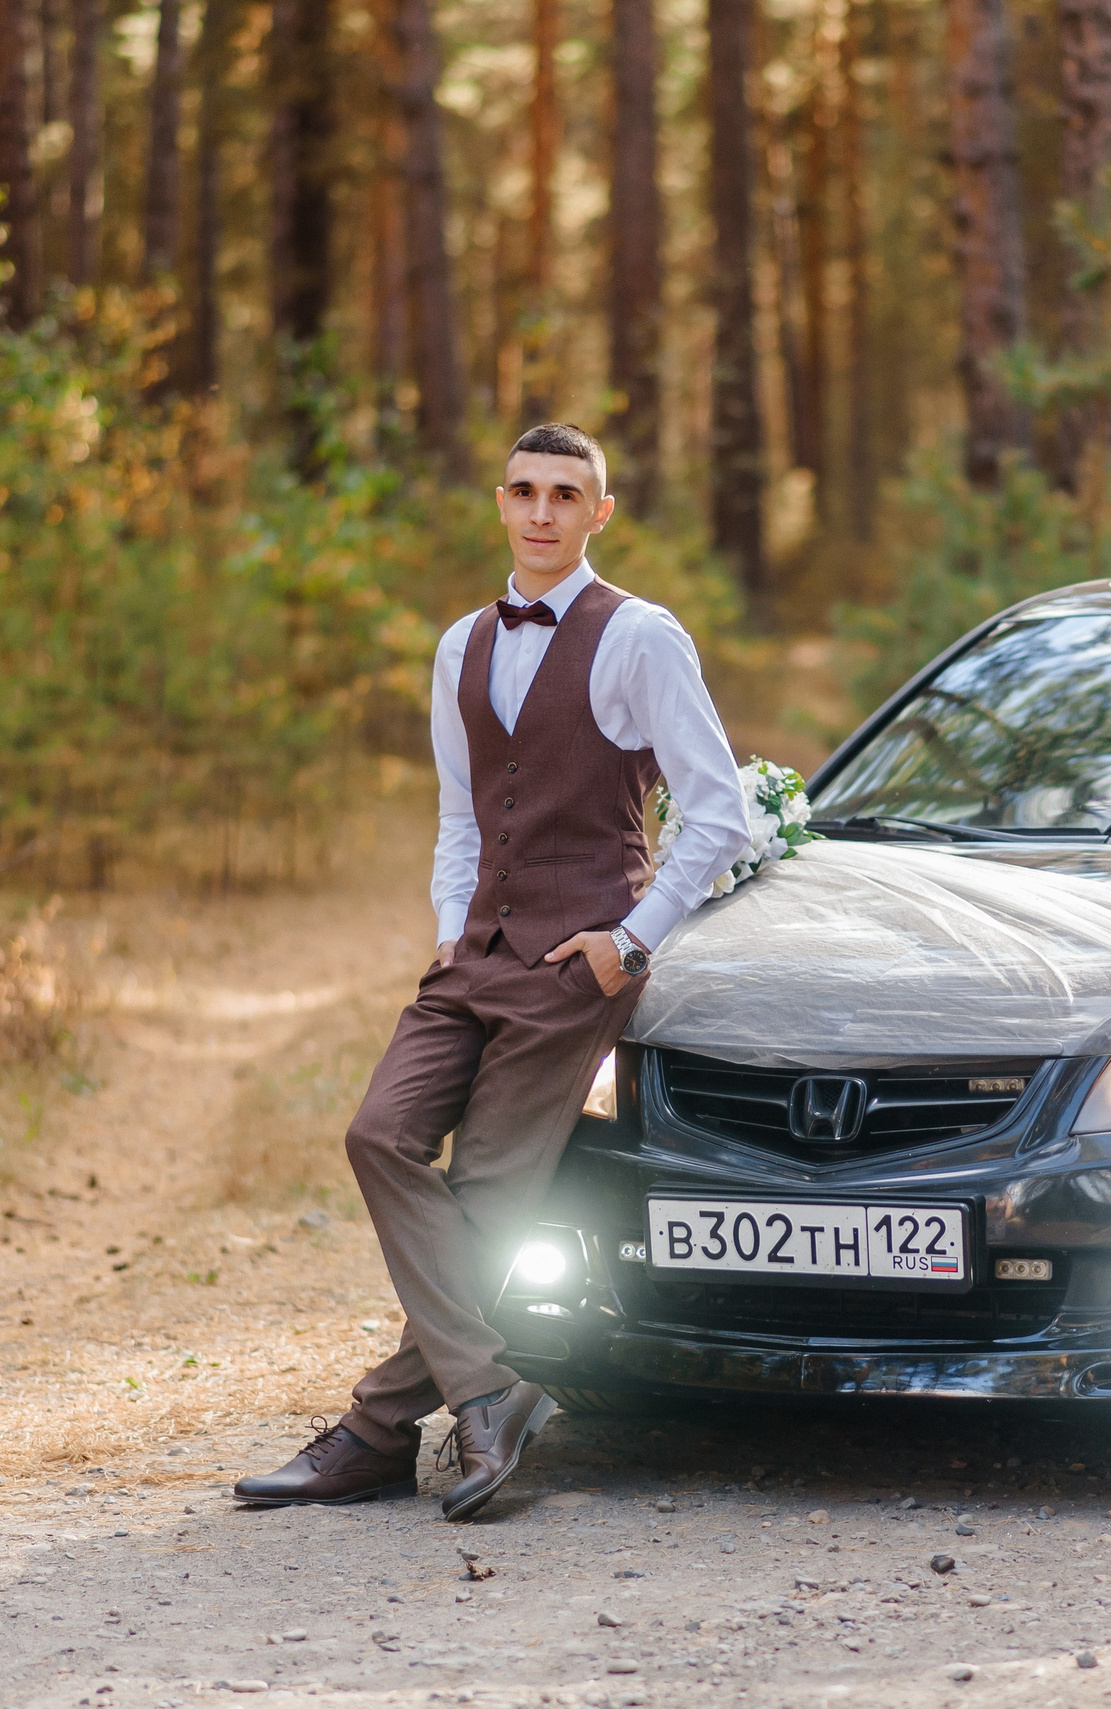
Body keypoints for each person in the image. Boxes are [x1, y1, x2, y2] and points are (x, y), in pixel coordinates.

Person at [234, 423, 747, 1521]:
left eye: (567, 494)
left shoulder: (641, 637)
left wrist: (631, 938)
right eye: (524, 490)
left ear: (599, 513)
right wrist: (443, 927)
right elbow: (459, 811)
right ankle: (487, 1392)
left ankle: (374, 1433)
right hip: (473, 951)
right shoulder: (460, 641)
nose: (543, 511)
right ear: (500, 502)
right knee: (377, 1133)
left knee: (486, 1195)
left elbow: (718, 812)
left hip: (576, 963)